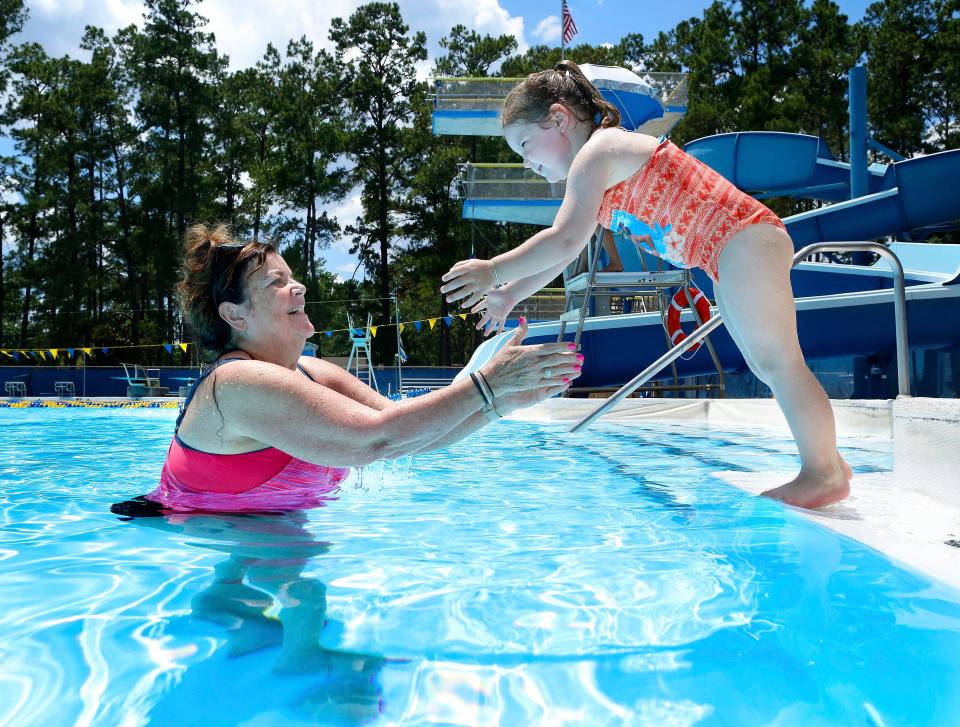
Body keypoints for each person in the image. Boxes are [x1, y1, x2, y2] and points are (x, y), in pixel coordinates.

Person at [439, 60, 852, 509]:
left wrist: (494, 270)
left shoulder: (599, 151)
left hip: (744, 240)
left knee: (778, 363)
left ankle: (823, 472)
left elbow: (561, 239)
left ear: (559, 118)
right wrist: (512, 294)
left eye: (525, 144)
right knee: (767, 365)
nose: (526, 162)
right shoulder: (599, 170)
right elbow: (568, 251)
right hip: (730, 251)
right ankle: (828, 460)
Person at [147, 224, 583, 513]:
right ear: (235, 316)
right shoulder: (234, 382)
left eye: (291, 275)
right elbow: (373, 440)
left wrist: (501, 402)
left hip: (272, 533)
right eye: (275, 283)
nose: (298, 285)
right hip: (205, 533)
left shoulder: (314, 373)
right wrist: (485, 386)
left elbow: (410, 437)